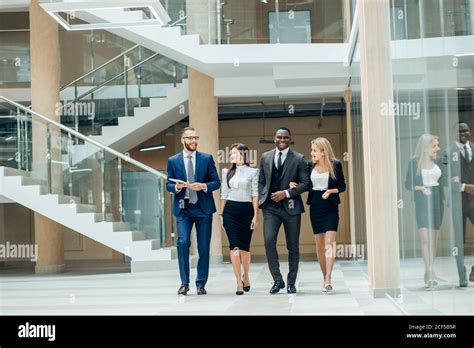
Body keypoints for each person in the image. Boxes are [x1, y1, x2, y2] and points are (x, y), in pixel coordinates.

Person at [166, 127, 220, 295]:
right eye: (190, 138)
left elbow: (216, 182)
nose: (193, 141)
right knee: (182, 243)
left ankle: (200, 283)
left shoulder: (206, 158)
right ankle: (184, 282)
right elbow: (168, 184)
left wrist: (203, 186)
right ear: (183, 140)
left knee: (203, 247)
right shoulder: (173, 161)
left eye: (195, 137)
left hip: (203, 208)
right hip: (184, 208)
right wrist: (176, 186)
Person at [291, 137, 345, 294]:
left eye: (314, 150)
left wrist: (331, 190)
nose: (311, 153)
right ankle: (324, 278)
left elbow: (342, 186)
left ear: (323, 152)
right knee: (320, 245)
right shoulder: (309, 166)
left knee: (329, 241)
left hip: (331, 207)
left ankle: (328, 277)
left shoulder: (335, 165)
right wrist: (295, 185)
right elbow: (307, 184)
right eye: (312, 150)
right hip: (316, 207)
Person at [258, 127, 310, 294]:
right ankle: (277, 280)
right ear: (274, 138)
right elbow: (261, 181)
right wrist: (263, 197)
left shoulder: (299, 159)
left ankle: (291, 282)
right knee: (268, 242)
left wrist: (286, 193)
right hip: (270, 208)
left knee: (292, 246)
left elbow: (306, 184)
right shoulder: (265, 157)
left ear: (290, 139)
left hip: (291, 208)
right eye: (279, 137)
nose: (282, 140)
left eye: (286, 137)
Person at [405, 134, 445, 289]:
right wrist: (421, 188)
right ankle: (429, 272)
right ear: (426, 148)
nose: (438, 148)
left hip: (437, 201)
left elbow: (445, 180)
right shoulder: (414, 162)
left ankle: (429, 269)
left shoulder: (440, 161)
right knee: (425, 239)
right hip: (422, 201)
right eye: (435, 145)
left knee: (433, 240)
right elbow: (408, 184)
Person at [220, 143, 259, 295]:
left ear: (243, 155)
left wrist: (255, 215)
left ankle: (246, 276)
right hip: (230, 211)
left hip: (246, 211)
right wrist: (221, 215)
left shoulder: (253, 172)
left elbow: (255, 194)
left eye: (234, 153)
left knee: (244, 248)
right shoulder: (226, 172)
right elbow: (224, 194)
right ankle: (238, 282)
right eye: (231, 154)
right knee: (234, 246)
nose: (231, 156)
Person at [447, 121, 474, 287]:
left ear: (470, 132)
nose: (462, 134)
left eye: (465, 131)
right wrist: (464, 187)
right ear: (454, 134)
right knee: (459, 240)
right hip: (458, 203)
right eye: (459, 131)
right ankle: (461, 274)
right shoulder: (447, 153)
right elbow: (444, 178)